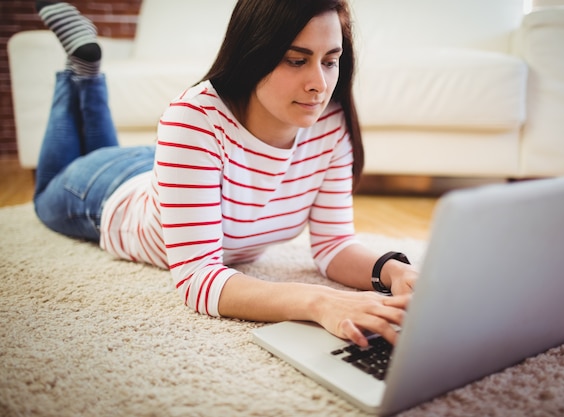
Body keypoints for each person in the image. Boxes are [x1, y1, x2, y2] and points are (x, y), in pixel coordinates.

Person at [33, 0, 418, 347]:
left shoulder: (329, 120)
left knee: (104, 149)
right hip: (109, 193)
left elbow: (333, 245)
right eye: (296, 60)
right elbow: (198, 277)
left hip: (181, 164)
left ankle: (86, 69)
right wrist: (317, 301)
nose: (319, 83)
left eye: (330, 61)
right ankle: (83, 71)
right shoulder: (193, 117)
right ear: (254, 54)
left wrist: (393, 270)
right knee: (47, 190)